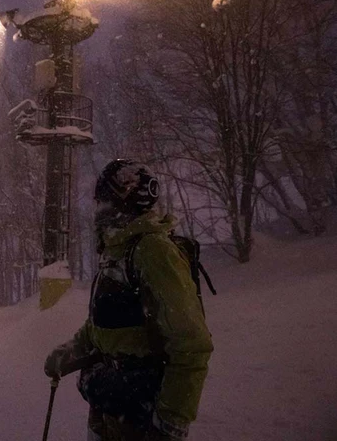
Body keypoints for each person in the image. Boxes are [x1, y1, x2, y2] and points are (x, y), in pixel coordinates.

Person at [44, 159, 213, 441]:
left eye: (104, 202)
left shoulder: (153, 251)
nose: (98, 212)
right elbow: (103, 327)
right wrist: (70, 352)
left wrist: (170, 424)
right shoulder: (117, 251)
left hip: (141, 414)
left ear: (125, 202)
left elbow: (191, 344)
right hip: (112, 401)